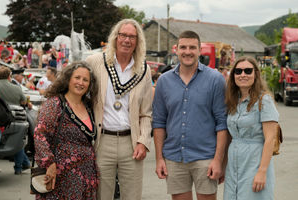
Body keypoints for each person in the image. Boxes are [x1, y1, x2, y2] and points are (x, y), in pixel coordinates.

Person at [152, 30, 228, 200]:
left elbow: (222, 123)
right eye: (183, 47)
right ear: (176, 50)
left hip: (205, 158)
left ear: (200, 50)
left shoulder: (215, 79)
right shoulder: (164, 81)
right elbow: (158, 122)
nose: (187, 51)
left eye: (192, 47)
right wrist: (159, 159)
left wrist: (219, 161)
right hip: (174, 158)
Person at [86, 18, 152, 200]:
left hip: (131, 142)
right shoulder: (95, 62)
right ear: (115, 37)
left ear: (138, 41)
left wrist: (143, 141)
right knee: (101, 195)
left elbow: (146, 113)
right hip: (101, 140)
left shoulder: (143, 70)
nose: (127, 40)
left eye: (132, 36)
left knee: (132, 195)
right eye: (123, 35)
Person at [33, 61, 99, 199]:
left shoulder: (89, 106)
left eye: (85, 80)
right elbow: (40, 135)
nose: (81, 82)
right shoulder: (55, 103)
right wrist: (49, 164)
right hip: (60, 176)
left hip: (87, 176)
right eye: (77, 78)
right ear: (68, 79)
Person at [223, 56, 279, 200]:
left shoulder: (264, 100)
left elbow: (270, 139)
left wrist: (262, 171)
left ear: (256, 74)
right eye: (238, 71)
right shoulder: (233, 101)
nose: (243, 75)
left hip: (254, 162)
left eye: (248, 71)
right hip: (233, 165)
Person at [0, 66, 31, 175]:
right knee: (17, 142)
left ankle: (25, 163)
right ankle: (19, 168)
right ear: (9, 76)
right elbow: (24, 101)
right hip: (16, 118)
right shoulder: (16, 88)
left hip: (0, 119)